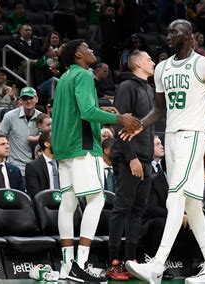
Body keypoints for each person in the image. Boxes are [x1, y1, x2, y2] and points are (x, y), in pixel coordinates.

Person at [123, 19, 205, 283]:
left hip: (193, 136)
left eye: (174, 31)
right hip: (171, 138)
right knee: (192, 206)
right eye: (167, 31)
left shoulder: (203, 64)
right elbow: (159, 109)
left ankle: (156, 265)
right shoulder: (163, 67)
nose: (168, 36)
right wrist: (140, 125)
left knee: (174, 197)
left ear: (189, 36)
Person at [50, 39, 141, 282]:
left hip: (63, 147)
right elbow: (87, 112)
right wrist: (121, 119)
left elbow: (76, 112)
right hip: (83, 146)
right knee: (97, 199)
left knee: (68, 203)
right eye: (88, 48)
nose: (92, 51)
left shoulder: (65, 78)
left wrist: (105, 113)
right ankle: (81, 263)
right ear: (79, 54)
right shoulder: (84, 75)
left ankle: (67, 265)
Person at [107, 50, 155, 280]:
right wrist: (131, 157)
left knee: (138, 211)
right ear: (136, 63)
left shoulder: (149, 88)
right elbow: (120, 124)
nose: (152, 62)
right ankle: (114, 262)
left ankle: (131, 260)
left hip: (146, 158)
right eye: (148, 59)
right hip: (130, 158)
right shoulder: (127, 86)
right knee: (122, 208)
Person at [0, 87, 43, 175]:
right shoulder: (9, 116)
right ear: (21, 100)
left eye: (31, 98)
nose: (28, 101)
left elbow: (49, 137)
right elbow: (0, 138)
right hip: (16, 166)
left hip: (37, 167)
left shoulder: (42, 117)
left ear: (36, 99)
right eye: (25, 99)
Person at [25, 132, 59, 198]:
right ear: (47, 144)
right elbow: (35, 194)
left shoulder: (63, 163)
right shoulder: (33, 166)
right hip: (45, 205)